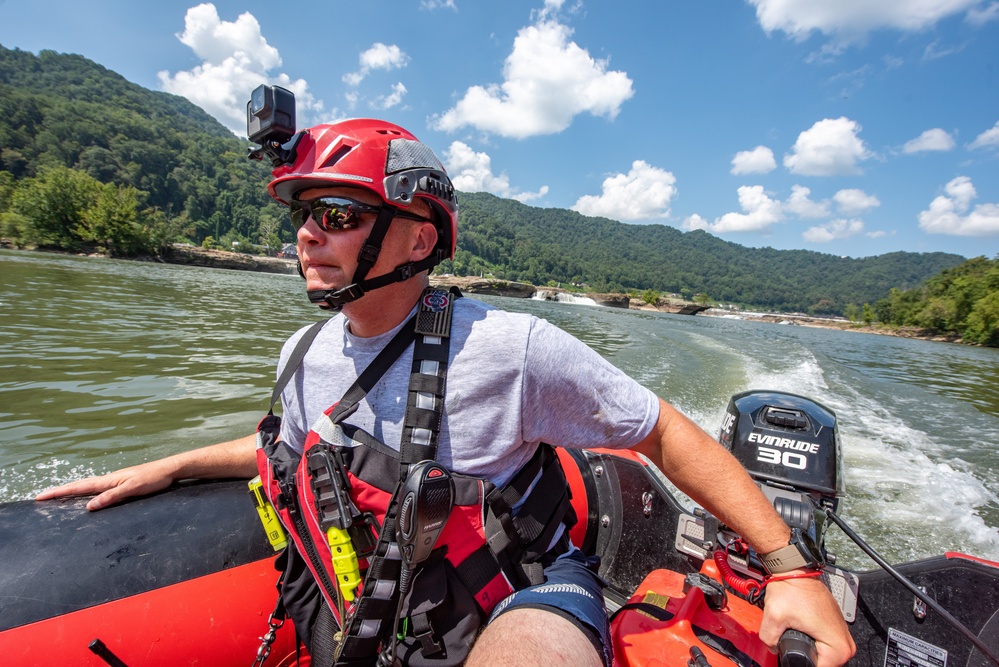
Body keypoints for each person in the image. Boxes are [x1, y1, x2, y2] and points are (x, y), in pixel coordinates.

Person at [37, 118, 855, 667]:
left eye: (336, 212)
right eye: (302, 213)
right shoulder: (302, 351)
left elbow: (663, 433)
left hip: (523, 589)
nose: (306, 232)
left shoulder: (513, 347)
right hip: (377, 600)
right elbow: (292, 452)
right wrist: (173, 466)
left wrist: (789, 569)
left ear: (417, 238)